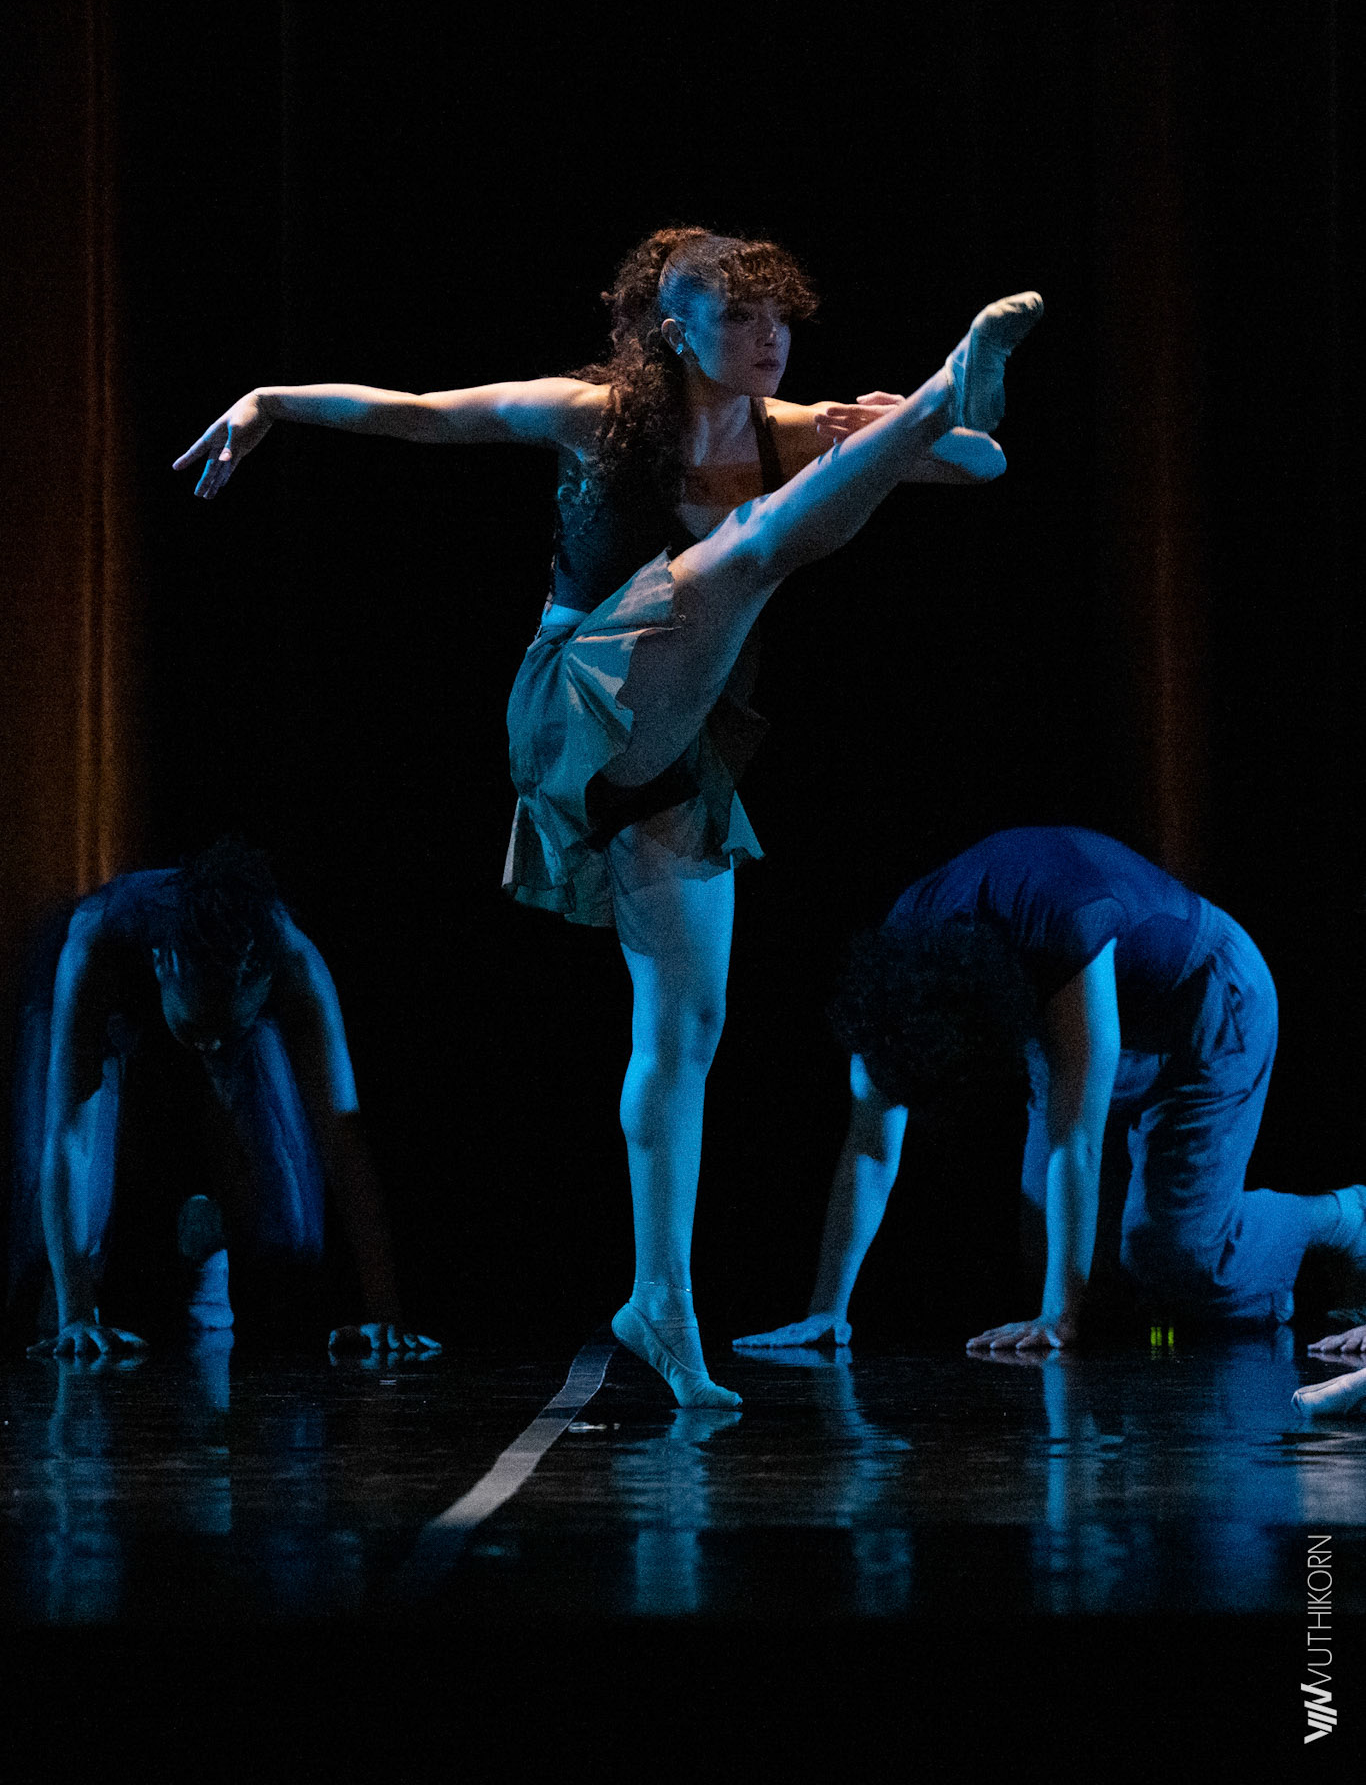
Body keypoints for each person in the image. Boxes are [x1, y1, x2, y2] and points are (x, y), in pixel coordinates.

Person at [173, 227, 1042, 1405]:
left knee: (686, 1026)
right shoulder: (591, 415)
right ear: (675, 329)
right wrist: (268, 400)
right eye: (739, 318)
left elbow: (984, 468)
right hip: (576, 703)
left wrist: (895, 430)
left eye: (778, 318)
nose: (770, 339)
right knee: (748, 550)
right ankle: (943, 378)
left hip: (677, 748)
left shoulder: (791, 430)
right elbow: (421, 415)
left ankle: (659, 1302)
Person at [735, 826, 1366, 1353]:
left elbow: (1076, 1143)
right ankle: (1192, 1291)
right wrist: (828, 1308)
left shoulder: (1064, 924)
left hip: (1206, 1002)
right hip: (1084, 1012)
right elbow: (870, 1147)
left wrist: (1059, 1318)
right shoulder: (901, 974)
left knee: (1170, 1256)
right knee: (1054, 1259)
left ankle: (1343, 1218)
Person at [12, 839, 439, 1359]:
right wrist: (76, 1315)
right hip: (108, 990)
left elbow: (343, 1139)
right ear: (163, 963)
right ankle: (63, 1301)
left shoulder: (293, 961)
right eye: (198, 1030)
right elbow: (69, 1136)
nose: (210, 1048)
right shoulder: (98, 941)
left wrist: (385, 1315)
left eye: (227, 1030)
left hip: (224, 1004)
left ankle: (203, 1245)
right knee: (55, 1237)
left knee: (292, 1226)